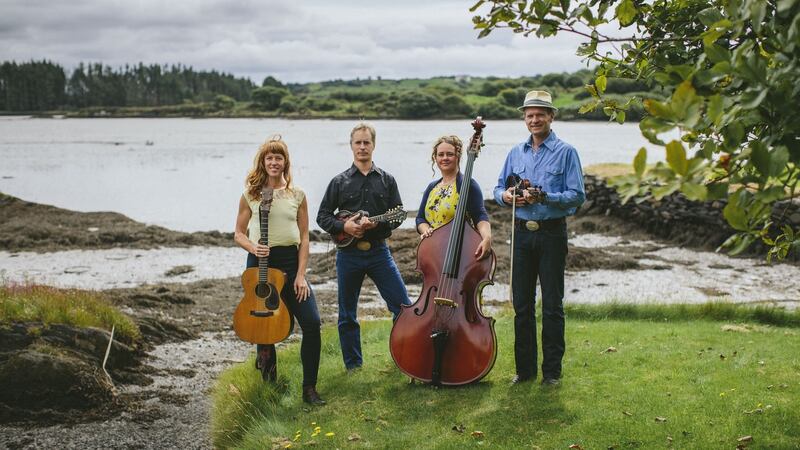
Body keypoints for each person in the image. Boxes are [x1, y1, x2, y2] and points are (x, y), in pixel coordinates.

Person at [493, 90, 585, 386]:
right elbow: (498, 189)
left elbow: (576, 196)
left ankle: (552, 373)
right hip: (521, 234)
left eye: (540, 114)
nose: (534, 120)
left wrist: (545, 196)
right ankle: (525, 371)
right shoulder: (514, 153)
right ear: (524, 118)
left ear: (551, 117)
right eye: (529, 115)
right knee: (521, 304)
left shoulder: (567, 151)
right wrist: (507, 196)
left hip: (551, 234)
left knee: (553, 305)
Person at [234, 136, 325, 405]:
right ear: (263, 162)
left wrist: (300, 276)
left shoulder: (297, 195)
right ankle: (269, 386)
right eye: (269, 158)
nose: (274, 162)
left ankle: (309, 389)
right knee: (264, 327)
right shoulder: (250, 194)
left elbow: (305, 237)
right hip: (260, 265)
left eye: (279, 158)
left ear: (285, 163)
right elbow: (238, 234)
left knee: (311, 323)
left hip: (289, 262)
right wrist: (253, 247)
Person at [316, 122, 412, 371]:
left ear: (374, 145)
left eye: (366, 142)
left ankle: (404, 358)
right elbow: (323, 216)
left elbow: (398, 214)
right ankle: (353, 367)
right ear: (351, 146)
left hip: (380, 252)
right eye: (357, 142)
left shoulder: (387, 180)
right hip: (348, 255)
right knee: (347, 314)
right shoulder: (339, 182)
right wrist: (344, 228)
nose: (362, 147)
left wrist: (376, 227)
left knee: (403, 307)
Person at [416, 135, 492, 260]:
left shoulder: (467, 184)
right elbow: (420, 218)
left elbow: (480, 215)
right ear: (435, 158)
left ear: (458, 156)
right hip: (434, 251)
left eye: (449, 154)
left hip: (461, 253)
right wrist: (426, 230)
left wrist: (487, 237)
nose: (445, 158)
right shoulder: (432, 187)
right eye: (441, 154)